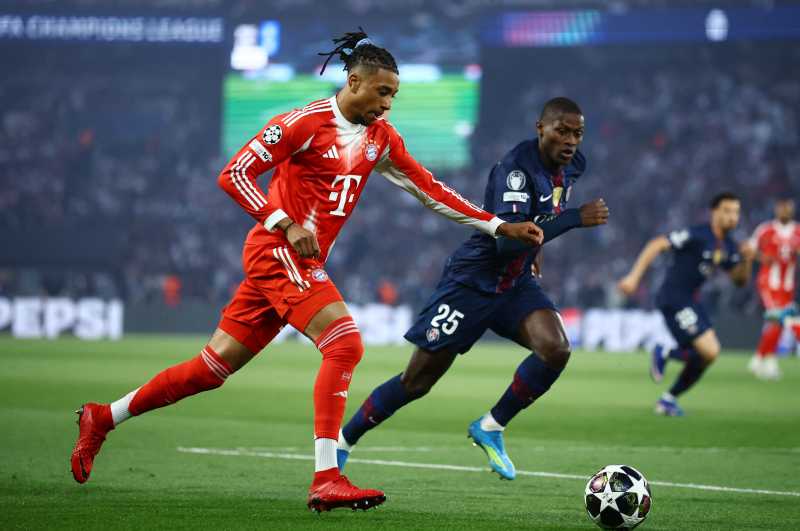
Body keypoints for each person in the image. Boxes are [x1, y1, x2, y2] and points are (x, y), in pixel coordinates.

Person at [69, 30, 544, 512]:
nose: (388, 104)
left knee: (210, 369)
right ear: (354, 81)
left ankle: (103, 417)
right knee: (345, 342)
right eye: (382, 92)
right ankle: (327, 477)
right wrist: (285, 223)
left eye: (394, 95)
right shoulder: (302, 124)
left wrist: (498, 225)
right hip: (276, 251)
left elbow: (430, 189)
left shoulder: (380, 138)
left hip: (299, 263)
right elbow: (234, 174)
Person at [337, 97, 609, 480]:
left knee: (555, 349)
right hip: (473, 281)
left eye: (577, 133)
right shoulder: (515, 171)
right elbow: (507, 242)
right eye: (561, 131)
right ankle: (343, 442)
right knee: (416, 382)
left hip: (515, 282)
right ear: (540, 128)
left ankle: (491, 426)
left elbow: (540, 214)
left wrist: (537, 250)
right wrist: (574, 219)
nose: (570, 141)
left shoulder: (572, 166)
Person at [618, 192, 754, 416]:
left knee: (709, 355)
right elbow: (656, 244)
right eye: (727, 211)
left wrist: (747, 260)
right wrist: (634, 277)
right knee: (709, 350)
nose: (733, 217)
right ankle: (665, 352)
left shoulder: (729, 246)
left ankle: (668, 398)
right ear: (714, 212)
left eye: (736, 212)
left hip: (691, 300)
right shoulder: (697, 234)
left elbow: (739, 281)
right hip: (674, 297)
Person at [747, 198, 800, 380]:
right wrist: (762, 257)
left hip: (787, 286)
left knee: (778, 322)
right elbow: (748, 249)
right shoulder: (765, 229)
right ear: (776, 210)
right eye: (782, 208)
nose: (785, 211)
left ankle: (758, 359)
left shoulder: (798, 231)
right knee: (779, 318)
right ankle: (769, 361)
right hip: (769, 283)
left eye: (788, 208)